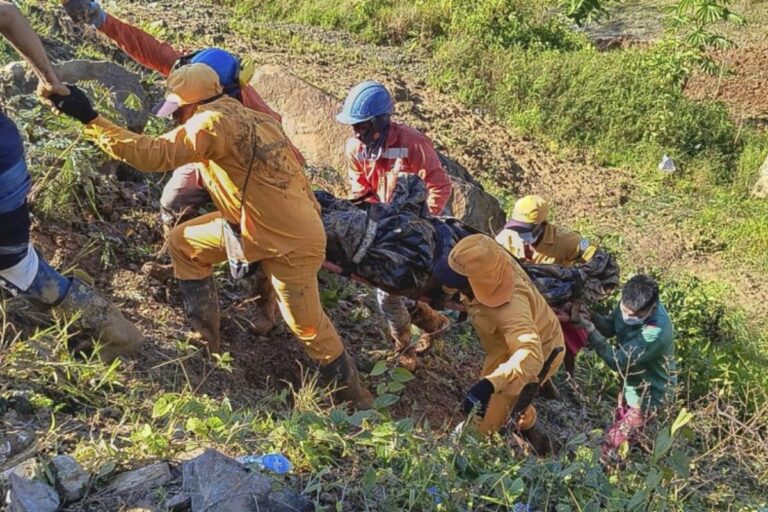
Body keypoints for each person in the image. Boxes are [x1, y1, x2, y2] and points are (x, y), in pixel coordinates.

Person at [51, 64, 373, 409]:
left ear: (190, 105)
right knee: (184, 243)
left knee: (307, 326)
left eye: (178, 111)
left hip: (290, 242)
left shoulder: (211, 123)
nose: (176, 119)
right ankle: (205, 341)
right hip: (260, 226)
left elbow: (152, 154)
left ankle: (357, 402)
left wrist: (91, 120)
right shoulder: (255, 118)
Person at [59, 0, 301, 334]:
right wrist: (99, 18)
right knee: (173, 201)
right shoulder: (194, 75)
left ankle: (265, 305)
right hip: (203, 157)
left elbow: (288, 160)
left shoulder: (254, 114)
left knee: (256, 235)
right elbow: (146, 46)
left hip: (246, 174)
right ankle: (184, 257)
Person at [0, 1, 143, 364]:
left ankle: (115, 330)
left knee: (15, 263)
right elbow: (7, 13)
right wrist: (49, 77)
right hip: (5, 149)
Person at [336, 80, 452, 370]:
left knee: (389, 294)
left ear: (380, 122)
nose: (356, 132)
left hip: (420, 223)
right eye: (354, 125)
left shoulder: (412, 143)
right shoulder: (355, 147)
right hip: (385, 224)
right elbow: (360, 191)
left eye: (361, 125)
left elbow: (438, 186)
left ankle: (404, 349)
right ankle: (433, 324)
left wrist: (421, 223)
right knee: (393, 289)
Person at [433, 234, 565, 454]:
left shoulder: (512, 307)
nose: (453, 287)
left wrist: (490, 384)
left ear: (480, 282)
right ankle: (523, 415)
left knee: (485, 422)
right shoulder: (488, 258)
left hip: (537, 353)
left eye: (459, 283)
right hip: (505, 347)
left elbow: (529, 355)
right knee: (505, 402)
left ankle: (478, 454)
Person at [496, 194, 599, 378]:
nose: (522, 235)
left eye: (526, 229)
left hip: (553, 302)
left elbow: (594, 253)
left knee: (570, 331)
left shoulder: (566, 240)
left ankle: (564, 372)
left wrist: (579, 281)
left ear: (542, 226)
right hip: (518, 296)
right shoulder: (507, 237)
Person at [574, 274, 675, 459]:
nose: (627, 316)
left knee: (613, 443)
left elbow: (618, 362)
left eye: (635, 315)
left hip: (649, 396)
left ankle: (606, 472)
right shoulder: (628, 304)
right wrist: (592, 317)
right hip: (631, 386)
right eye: (624, 310)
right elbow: (611, 327)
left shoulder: (655, 332)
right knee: (626, 436)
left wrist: (589, 330)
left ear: (652, 308)